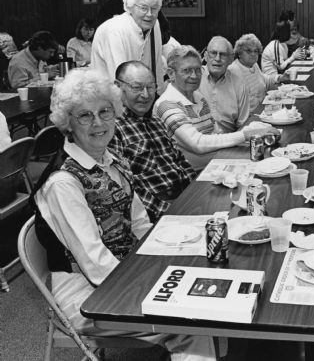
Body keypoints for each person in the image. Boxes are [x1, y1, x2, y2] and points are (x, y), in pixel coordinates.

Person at [33, 68, 221, 361]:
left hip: (125, 268)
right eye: (84, 115)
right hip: (87, 293)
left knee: (203, 283)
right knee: (190, 321)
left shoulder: (111, 160)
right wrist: (156, 287)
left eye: (105, 112)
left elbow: (140, 225)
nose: (98, 123)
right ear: (67, 123)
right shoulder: (63, 182)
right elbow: (95, 264)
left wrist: (174, 260)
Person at [154, 45, 278, 170]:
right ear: (171, 74)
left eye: (198, 70)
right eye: (187, 70)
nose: (194, 76)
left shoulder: (197, 96)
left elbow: (216, 134)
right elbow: (197, 143)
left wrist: (258, 133)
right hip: (190, 176)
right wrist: (247, 134)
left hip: (214, 164)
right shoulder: (166, 104)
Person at [110, 61, 196, 223]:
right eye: (137, 87)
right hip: (155, 215)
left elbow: (181, 162)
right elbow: (125, 188)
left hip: (184, 201)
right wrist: (171, 214)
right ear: (117, 87)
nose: (145, 95)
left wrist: (195, 194)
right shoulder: (112, 129)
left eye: (150, 87)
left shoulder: (156, 122)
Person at [91, 0, 167, 92]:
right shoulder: (114, 30)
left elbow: (157, 68)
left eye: (154, 8)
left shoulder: (155, 25)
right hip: (109, 100)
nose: (150, 14)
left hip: (140, 96)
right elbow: (120, 79)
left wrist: (159, 100)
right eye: (143, 8)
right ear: (129, 7)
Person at [198, 36, 250, 133]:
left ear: (231, 59)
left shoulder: (239, 85)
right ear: (205, 56)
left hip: (228, 142)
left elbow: (243, 125)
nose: (217, 58)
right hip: (197, 142)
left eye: (223, 55)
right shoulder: (194, 79)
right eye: (213, 53)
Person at [229, 33, 289, 112]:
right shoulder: (233, 70)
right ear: (239, 53)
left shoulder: (254, 65)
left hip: (263, 110)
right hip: (248, 118)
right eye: (248, 51)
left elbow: (263, 79)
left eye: (256, 51)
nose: (253, 54)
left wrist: (280, 78)